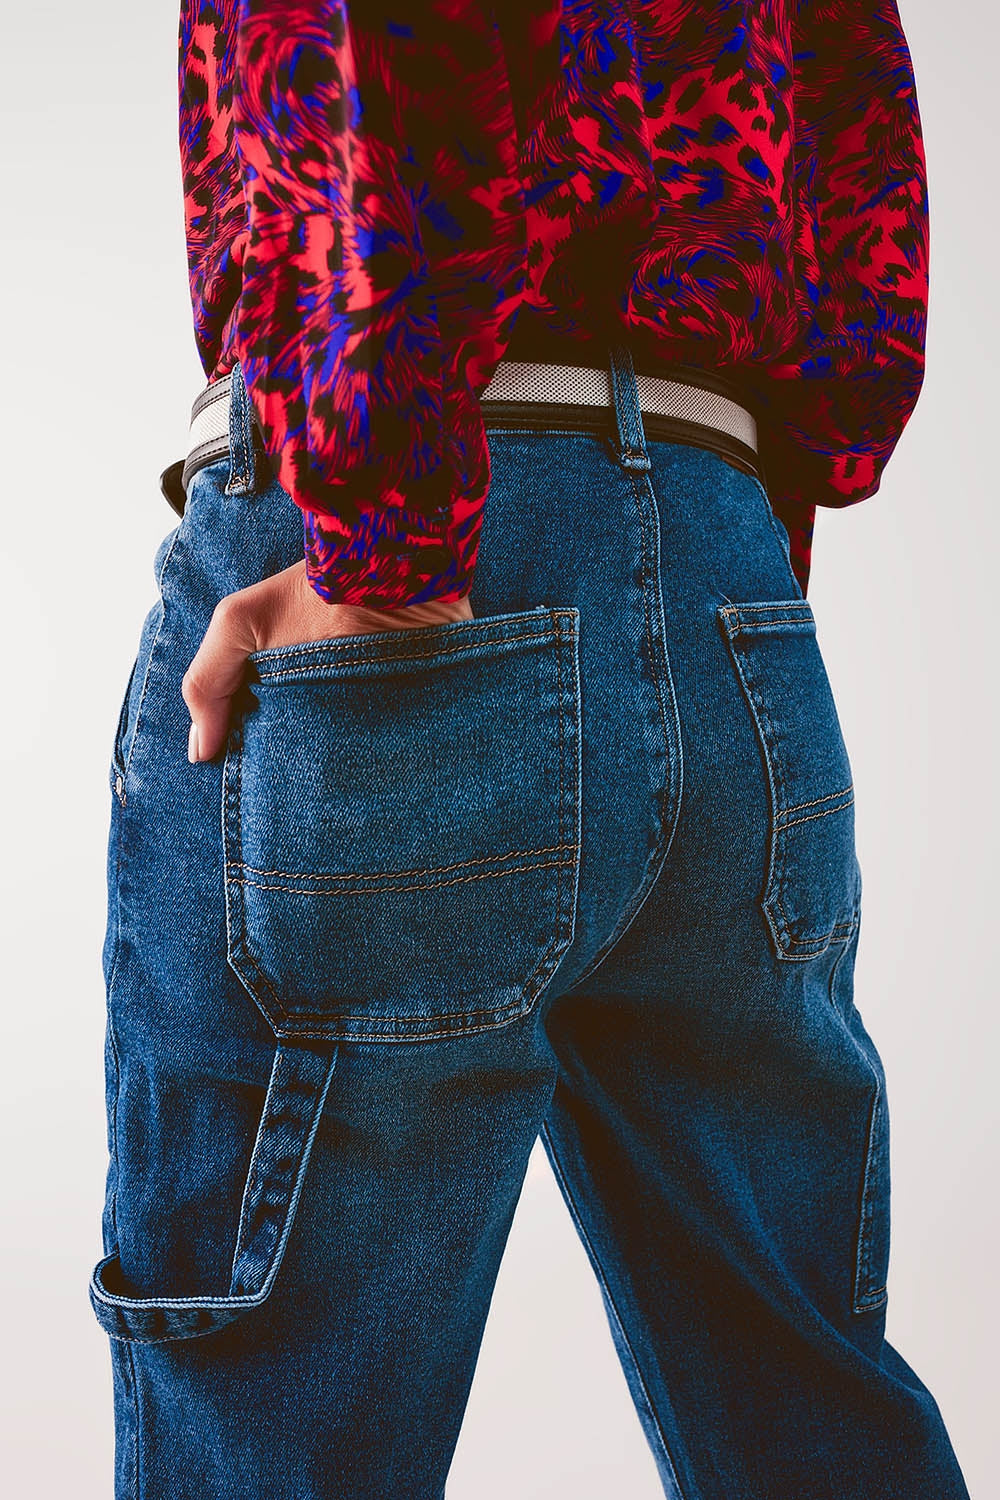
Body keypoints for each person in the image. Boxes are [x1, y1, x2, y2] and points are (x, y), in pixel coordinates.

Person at [88, 3, 971, 1496]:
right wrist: (718, 550)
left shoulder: (394, 520)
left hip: (408, 526)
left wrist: (386, 540)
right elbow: (857, 157)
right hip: (722, 566)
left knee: (273, 1411)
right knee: (798, 1389)